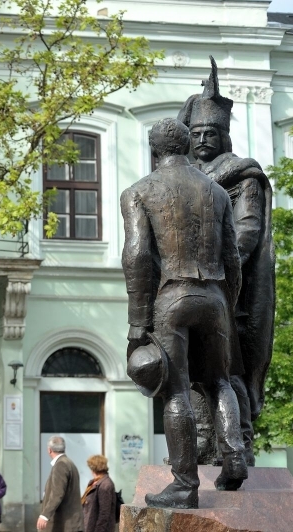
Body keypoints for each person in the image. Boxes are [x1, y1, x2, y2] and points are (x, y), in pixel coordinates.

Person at [121, 117, 247, 508]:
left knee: (176, 390)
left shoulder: (139, 191)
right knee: (219, 381)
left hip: (171, 297)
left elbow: (138, 255)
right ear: (187, 146)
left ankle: (184, 484)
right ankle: (234, 458)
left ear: (154, 149)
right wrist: (227, 304)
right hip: (215, 297)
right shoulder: (217, 192)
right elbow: (232, 257)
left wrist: (138, 321)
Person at [177, 57, 275, 466]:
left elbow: (248, 230)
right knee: (190, 368)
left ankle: (239, 442)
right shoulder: (183, 178)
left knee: (227, 368)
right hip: (186, 282)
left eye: (210, 133)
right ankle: (203, 440)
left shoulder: (242, 176)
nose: (202, 139)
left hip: (228, 288)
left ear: (224, 136)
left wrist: (217, 266)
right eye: (196, 133)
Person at [36, 436, 83, 532]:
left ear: (49, 450)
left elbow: (57, 494)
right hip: (70, 523)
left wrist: (45, 515)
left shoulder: (61, 465)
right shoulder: (69, 463)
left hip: (65, 524)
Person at [81, 455, 116, 532]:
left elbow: (104, 513)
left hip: (98, 528)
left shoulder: (105, 484)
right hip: (89, 526)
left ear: (94, 468)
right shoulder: (94, 482)